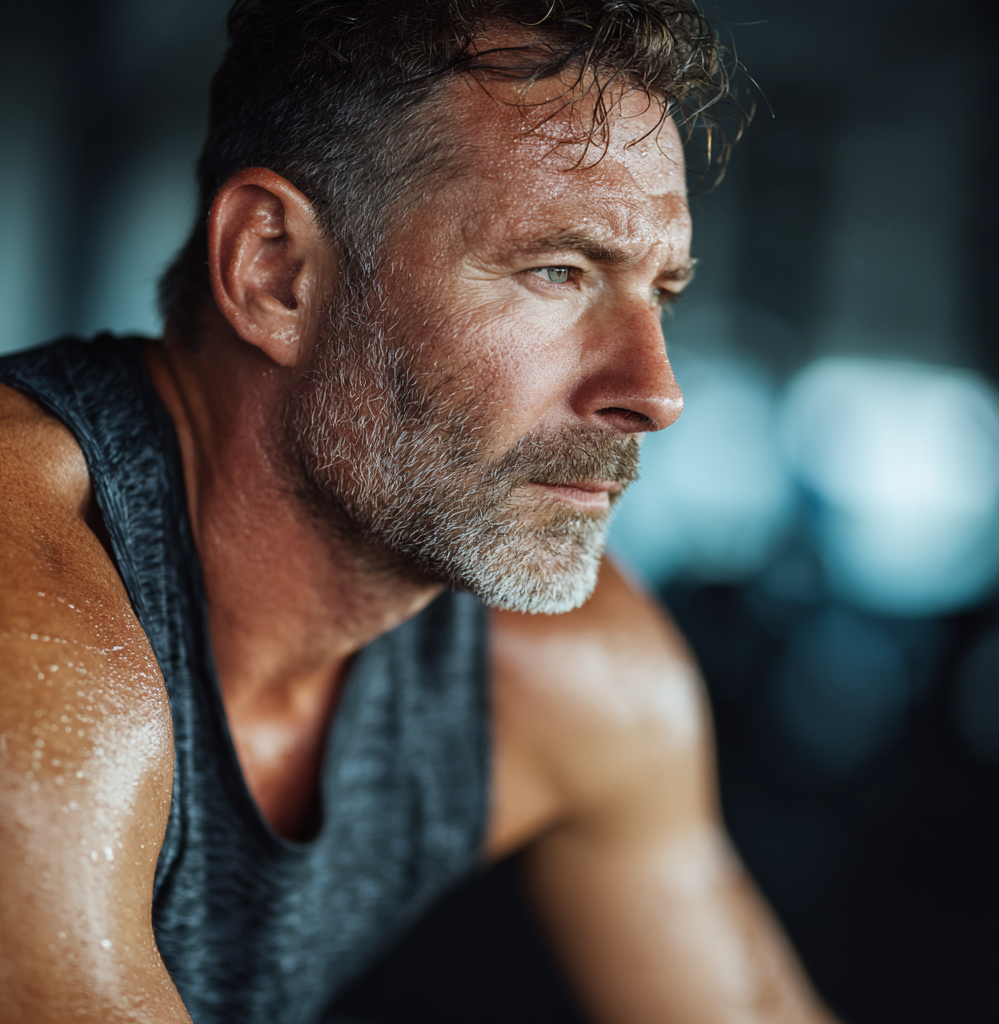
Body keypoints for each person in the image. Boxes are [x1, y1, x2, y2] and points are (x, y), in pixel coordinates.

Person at [0, 2, 838, 1022]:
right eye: (558, 271)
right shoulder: (33, 611)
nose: (655, 393)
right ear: (278, 271)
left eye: (659, 291)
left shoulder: (568, 675)